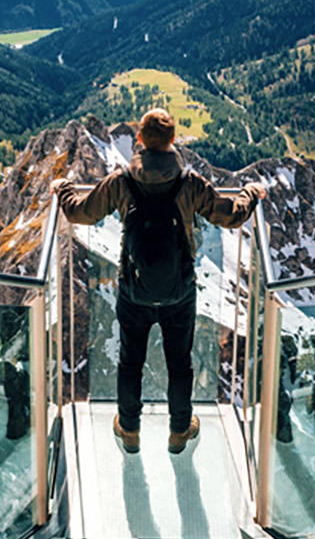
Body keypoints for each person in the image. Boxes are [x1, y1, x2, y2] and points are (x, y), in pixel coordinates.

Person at [53, 108, 267, 454]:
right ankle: (180, 431)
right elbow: (230, 216)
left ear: (140, 140)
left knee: (130, 361)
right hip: (179, 293)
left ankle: (130, 429)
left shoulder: (122, 181)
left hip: (134, 291)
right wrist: (251, 194)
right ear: (173, 142)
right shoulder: (190, 183)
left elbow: (80, 213)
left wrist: (63, 188)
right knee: (180, 364)